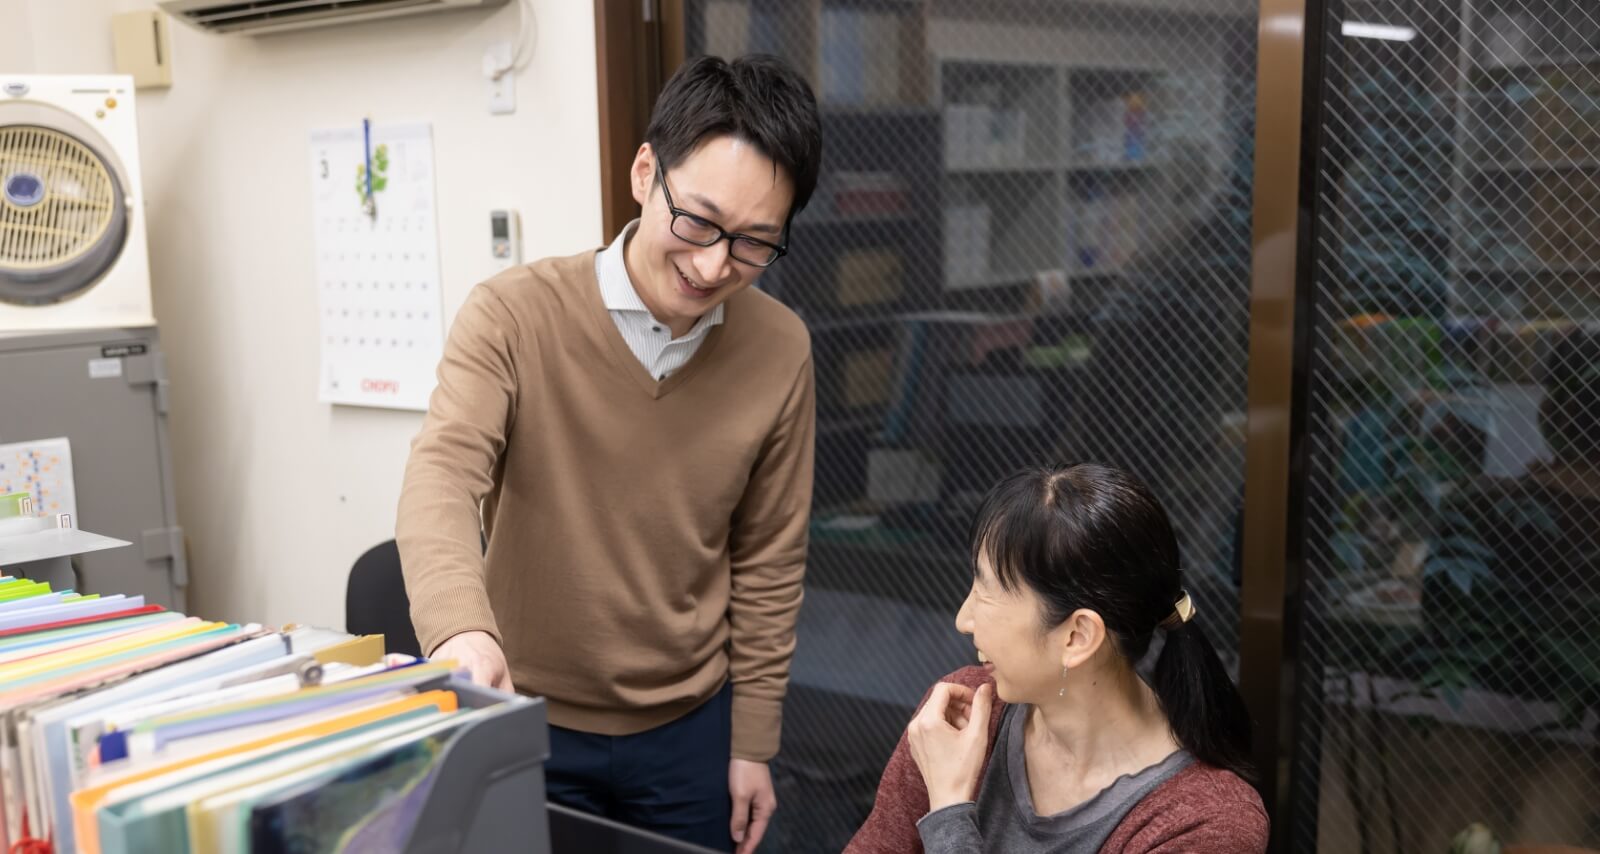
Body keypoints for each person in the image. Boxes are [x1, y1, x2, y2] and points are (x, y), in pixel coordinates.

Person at [396, 54, 822, 853]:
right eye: (695, 221)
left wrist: (753, 740)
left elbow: (769, 556)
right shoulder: (513, 316)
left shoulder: (781, 349)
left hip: (690, 729)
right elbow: (442, 478)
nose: (710, 265)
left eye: (754, 244)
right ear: (643, 172)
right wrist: (460, 630)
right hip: (525, 714)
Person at [847, 463, 1269, 853]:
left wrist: (949, 816)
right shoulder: (963, 715)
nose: (963, 619)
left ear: (1077, 636)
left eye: (988, 591)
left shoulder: (1204, 824)